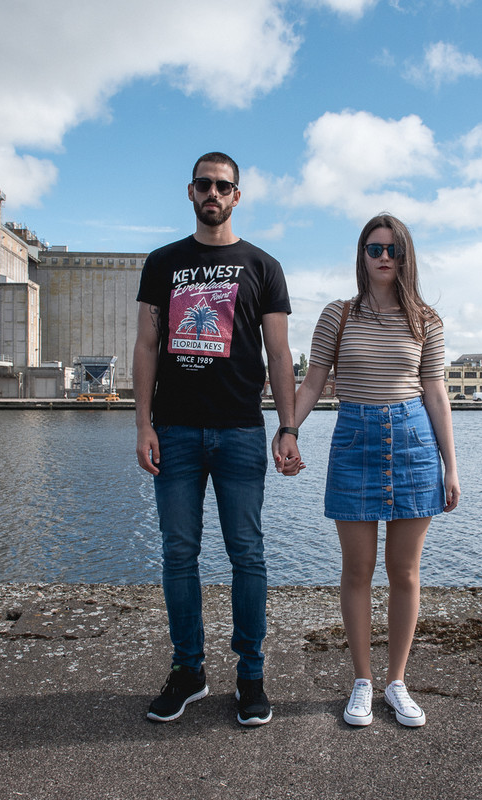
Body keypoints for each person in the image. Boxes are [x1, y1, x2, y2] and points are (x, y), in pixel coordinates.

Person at [134, 152, 301, 726]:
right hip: (174, 430)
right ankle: (189, 671)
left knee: (247, 553)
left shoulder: (263, 266)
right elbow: (147, 346)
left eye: (223, 185)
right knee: (178, 552)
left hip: (240, 431)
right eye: (204, 184)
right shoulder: (163, 263)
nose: (213, 193)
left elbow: (279, 353)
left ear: (237, 195)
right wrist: (142, 423)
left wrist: (287, 427)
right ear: (190, 191)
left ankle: (250, 676)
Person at [287, 213, 459, 728]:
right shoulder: (337, 315)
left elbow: (436, 394)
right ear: (361, 255)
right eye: (375, 248)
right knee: (357, 570)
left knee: (404, 572)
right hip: (355, 440)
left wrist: (451, 466)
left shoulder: (426, 320)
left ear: (406, 257)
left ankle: (397, 682)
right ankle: (362, 681)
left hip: (414, 444)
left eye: (394, 249)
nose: (385, 257)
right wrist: (288, 429)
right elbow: (313, 381)